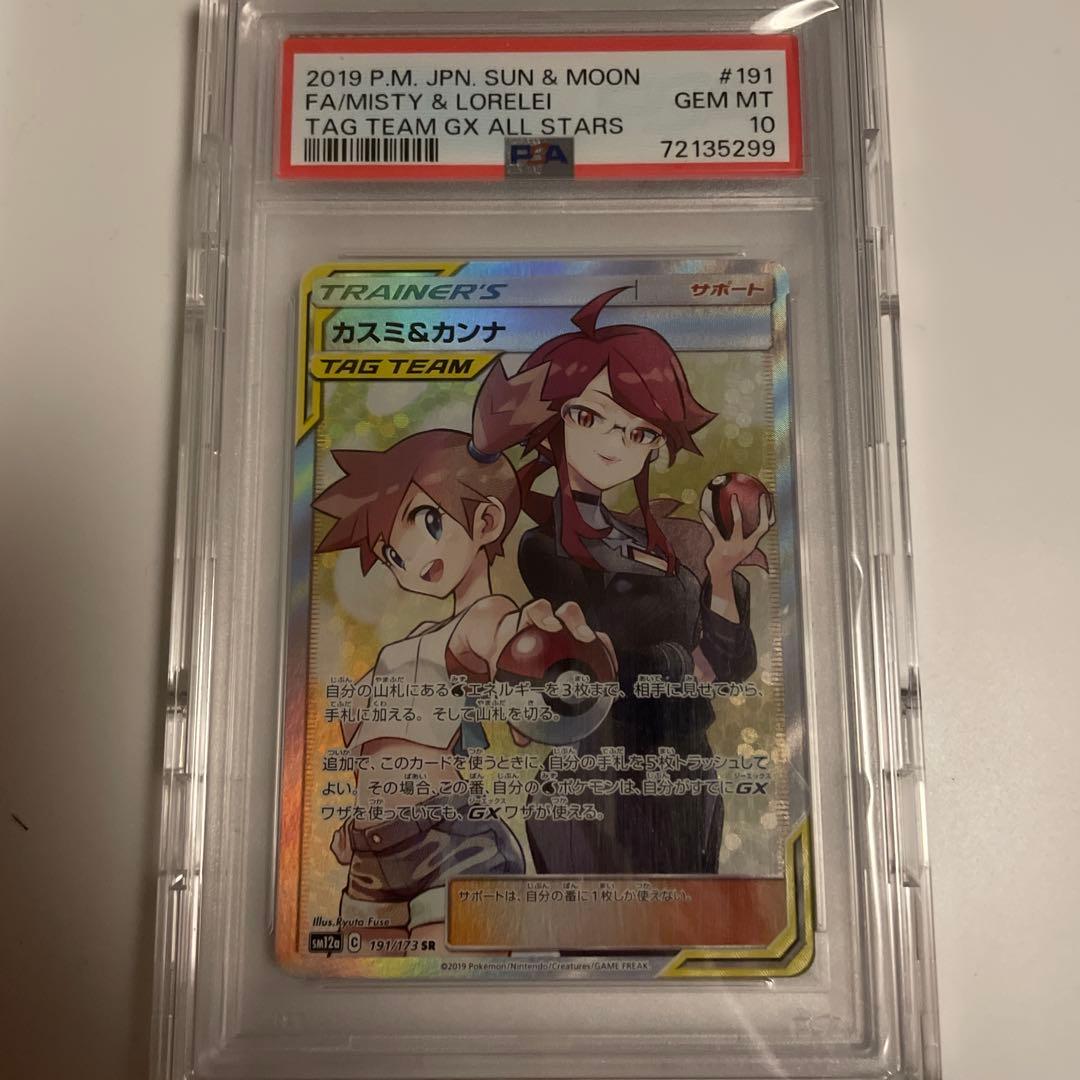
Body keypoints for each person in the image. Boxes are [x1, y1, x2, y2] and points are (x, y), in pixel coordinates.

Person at [472, 288, 774, 875]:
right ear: (555, 420)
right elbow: (594, 665)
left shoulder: (657, 543)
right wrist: (682, 660)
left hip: (683, 776)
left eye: (640, 433)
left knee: (685, 929)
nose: (615, 445)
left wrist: (719, 570)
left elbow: (731, 665)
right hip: (596, 785)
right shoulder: (546, 548)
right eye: (589, 418)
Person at [313, 428, 612, 944]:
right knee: (360, 979)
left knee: (446, 980)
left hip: (452, 843)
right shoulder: (408, 646)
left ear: (486, 522)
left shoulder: (481, 616)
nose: (406, 554)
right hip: (369, 858)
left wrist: (545, 651)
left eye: (426, 521)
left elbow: (500, 637)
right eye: (391, 553)